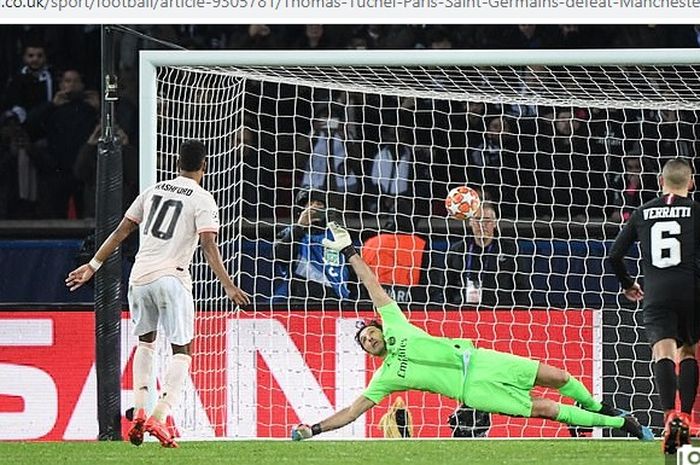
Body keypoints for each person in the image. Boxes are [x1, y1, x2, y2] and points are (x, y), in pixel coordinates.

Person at [291, 222, 653, 441]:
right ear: (371, 354)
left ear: (378, 328)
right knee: (545, 409)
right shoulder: (386, 377)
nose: (369, 340)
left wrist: (352, 252)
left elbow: (371, 284)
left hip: (480, 360)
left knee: (557, 376)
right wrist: (314, 428)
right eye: (365, 344)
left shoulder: (396, 324)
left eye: (369, 334)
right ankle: (622, 422)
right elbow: (352, 412)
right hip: (473, 390)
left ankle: (595, 405)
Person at [65, 139, 250, 447]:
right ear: (204, 165)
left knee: (146, 343)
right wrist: (228, 286)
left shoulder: (153, 191)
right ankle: (159, 416)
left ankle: (138, 410)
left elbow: (120, 231)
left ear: (177, 163)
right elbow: (208, 244)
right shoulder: (203, 199)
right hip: (171, 278)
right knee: (182, 351)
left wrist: (92, 265)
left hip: (139, 278)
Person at [608, 158, 700, 454]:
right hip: (691, 289)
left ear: (661, 182)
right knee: (687, 351)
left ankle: (668, 418)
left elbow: (613, 256)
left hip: (656, 292)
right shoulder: (697, 211)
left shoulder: (642, 211)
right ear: (692, 182)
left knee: (663, 352)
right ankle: (685, 417)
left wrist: (627, 284)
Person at [444, 201, 528, 307]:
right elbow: (446, 287)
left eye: (487, 221)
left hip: (500, 312)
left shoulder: (510, 250)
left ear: (495, 223)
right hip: (463, 313)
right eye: (477, 220)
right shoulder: (458, 249)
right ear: (470, 222)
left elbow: (522, 288)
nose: (482, 225)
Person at [273, 189, 350, 303]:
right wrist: (299, 227)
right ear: (301, 210)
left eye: (319, 204)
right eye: (310, 204)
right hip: (301, 301)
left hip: (336, 301)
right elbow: (279, 257)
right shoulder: (288, 233)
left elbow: (353, 266)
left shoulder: (337, 234)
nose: (314, 207)